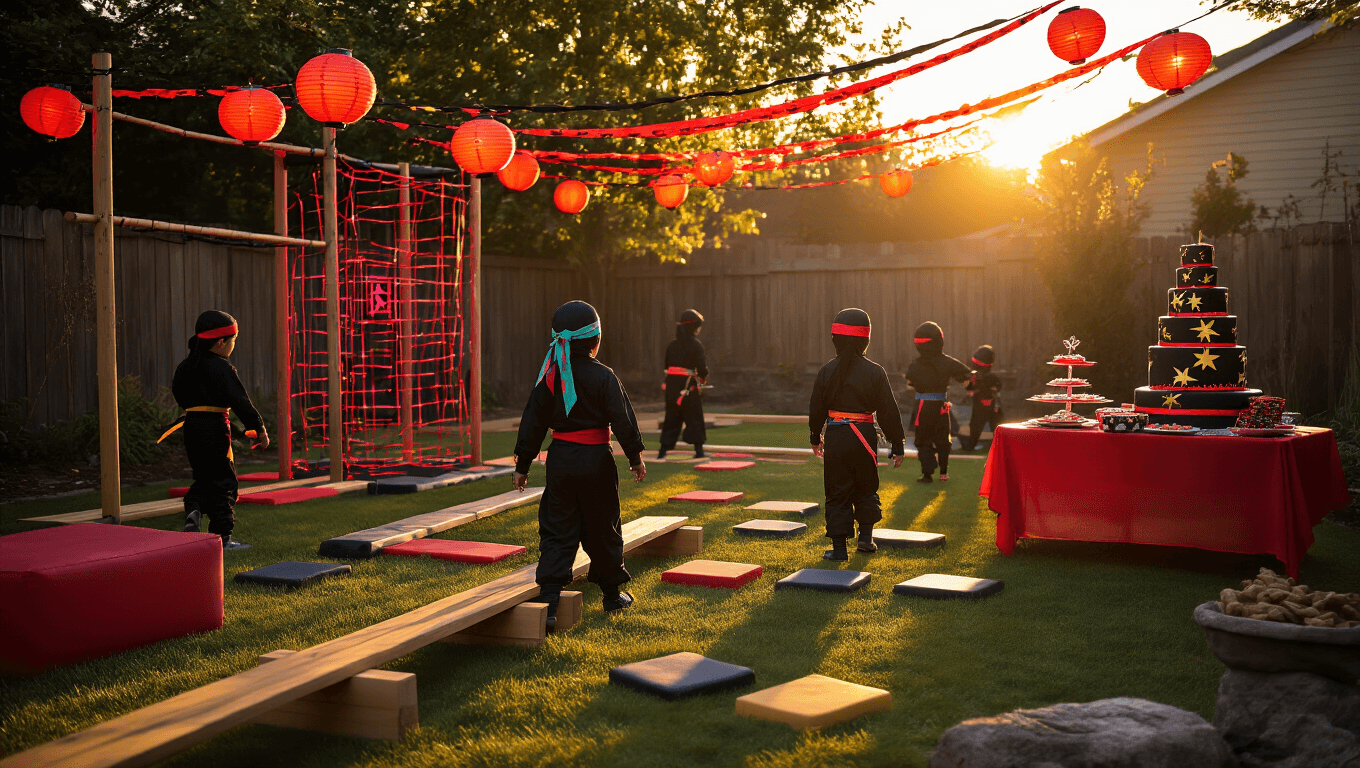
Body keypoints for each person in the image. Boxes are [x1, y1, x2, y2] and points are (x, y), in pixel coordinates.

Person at [512, 301, 647, 630]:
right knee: (603, 524)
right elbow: (623, 419)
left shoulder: (550, 377)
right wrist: (634, 456)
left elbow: (533, 422)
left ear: (560, 341)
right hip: (597, 461)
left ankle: (550, 599)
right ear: (596, 340)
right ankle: (613, 595)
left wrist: (523, 464)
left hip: (560, 461)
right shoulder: (604, 376)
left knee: (558, 526)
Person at [166, 310, 269, 550]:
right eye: (233, 341)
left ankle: (194, 509)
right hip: (214, 427)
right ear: (221, 342)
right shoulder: (221, 367)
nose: (233, 346)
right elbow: (240, 400)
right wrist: (258, 428)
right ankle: (223, 536)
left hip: (191, 426)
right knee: (224, 480)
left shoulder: (185, 366)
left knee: (204, 477)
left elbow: (177, 392)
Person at [808, 309, 906, 561]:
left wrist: (815, 436)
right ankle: (866, 539)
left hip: (837, 438)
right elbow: (887, 410)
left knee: (837, 490)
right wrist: (897, 443)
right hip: (864, 436)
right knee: (866, 486)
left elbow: (816, 408)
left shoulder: (826, 371)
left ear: (835, 338)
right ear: (866, 339)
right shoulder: (875, 372)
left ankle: (839, 550)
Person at [904, 321, 971, 483]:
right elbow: (967, 376)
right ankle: (943, 473)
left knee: (923, 440)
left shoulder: (915, 365)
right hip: (942, 406)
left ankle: (927, 474)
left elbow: (909, 386)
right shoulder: (948, 362)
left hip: (923, 406)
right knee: (942, 439)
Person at [658, 308, 709, 460]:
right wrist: (702, 380)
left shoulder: (671, 346)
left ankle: (663, 451)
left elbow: (667, 367)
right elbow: (702, 368)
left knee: (672, 417)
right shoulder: (696, 345)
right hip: (688, 386)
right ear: (693, 327)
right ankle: (699, 451)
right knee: (694, 417)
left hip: (672, 386)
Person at [961, 344, 1004, 452]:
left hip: (992, 405)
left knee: (996, 426)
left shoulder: (990, 377)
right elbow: (968, 387)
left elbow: (998, 387)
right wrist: (969, 386)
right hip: (980, 405)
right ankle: (971, 446)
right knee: (976, 426)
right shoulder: (974, 376)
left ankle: (999, 447)